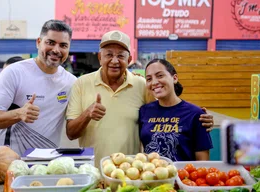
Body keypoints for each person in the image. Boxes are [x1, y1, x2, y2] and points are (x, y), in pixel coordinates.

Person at [65, 30, 214, 166]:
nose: (115, 60)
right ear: (99, 57)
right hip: (93, 172)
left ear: (129, 59)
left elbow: (165, 111)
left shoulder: (141, 84)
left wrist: (197, 118)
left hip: (132, 175)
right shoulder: (81, 84)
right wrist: (87, 114)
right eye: (109, 54)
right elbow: (71, 134)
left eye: (121, 56)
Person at [0, 20, 77, 155]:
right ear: (38, 42)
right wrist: (18, 114)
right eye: (50, 43)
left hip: (47, 162)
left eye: (63, 45)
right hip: (8, 160)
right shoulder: (14, 73)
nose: (56, 50)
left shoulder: (71, 82)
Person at [139, 59, 213, 161]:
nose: (154, 82)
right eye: (149, 79)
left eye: (160, 75)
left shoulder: (195, 114)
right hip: (152, 176)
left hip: (183, 176)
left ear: (174, 78)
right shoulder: (144, 111)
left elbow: (202, 162)